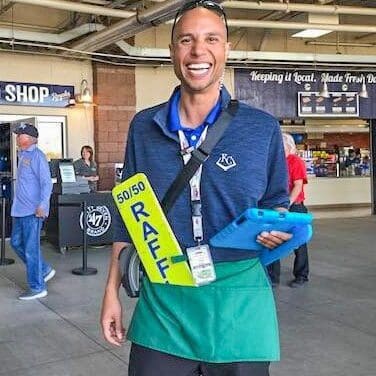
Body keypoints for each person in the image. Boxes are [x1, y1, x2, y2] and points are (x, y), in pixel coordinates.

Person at [101, 2, 292, 375]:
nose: (198, 51)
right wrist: (112, 291)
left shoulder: (261, 129)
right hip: (165, 301)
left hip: (240, 300)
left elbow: (277, 204)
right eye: (186, 40)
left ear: (226, 49)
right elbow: (130, 214)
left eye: (211, 39)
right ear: (173, 50)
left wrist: (278, 228)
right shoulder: (144, 127)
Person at [10, 123, 55, 300]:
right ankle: (43, 269)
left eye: (20, 135)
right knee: (15, 243)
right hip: (19, 210)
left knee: (31, 249)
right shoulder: (22, 155)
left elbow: (46, 183)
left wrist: (43, 205)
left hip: (32, 211)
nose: (17, 137)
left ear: (29, 138)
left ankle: (37, 287)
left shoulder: (37, 156)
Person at [268, 133, 309, 288]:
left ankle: (301, 276)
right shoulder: (276, 163)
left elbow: (298, 185)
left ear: (288, 146)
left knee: (299, 242)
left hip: (294, 206)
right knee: (273, 239)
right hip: (277, 207)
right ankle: (272, 278)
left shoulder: (295, 161)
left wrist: (287, 204)